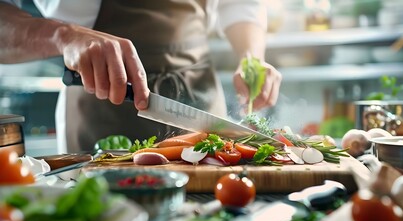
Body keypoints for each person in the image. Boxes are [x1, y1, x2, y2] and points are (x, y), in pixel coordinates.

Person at [0, 0, 282, 153]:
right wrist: (62, 36)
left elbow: (239, 4)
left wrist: (251, 56)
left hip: (200, 99)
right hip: (100, 108)